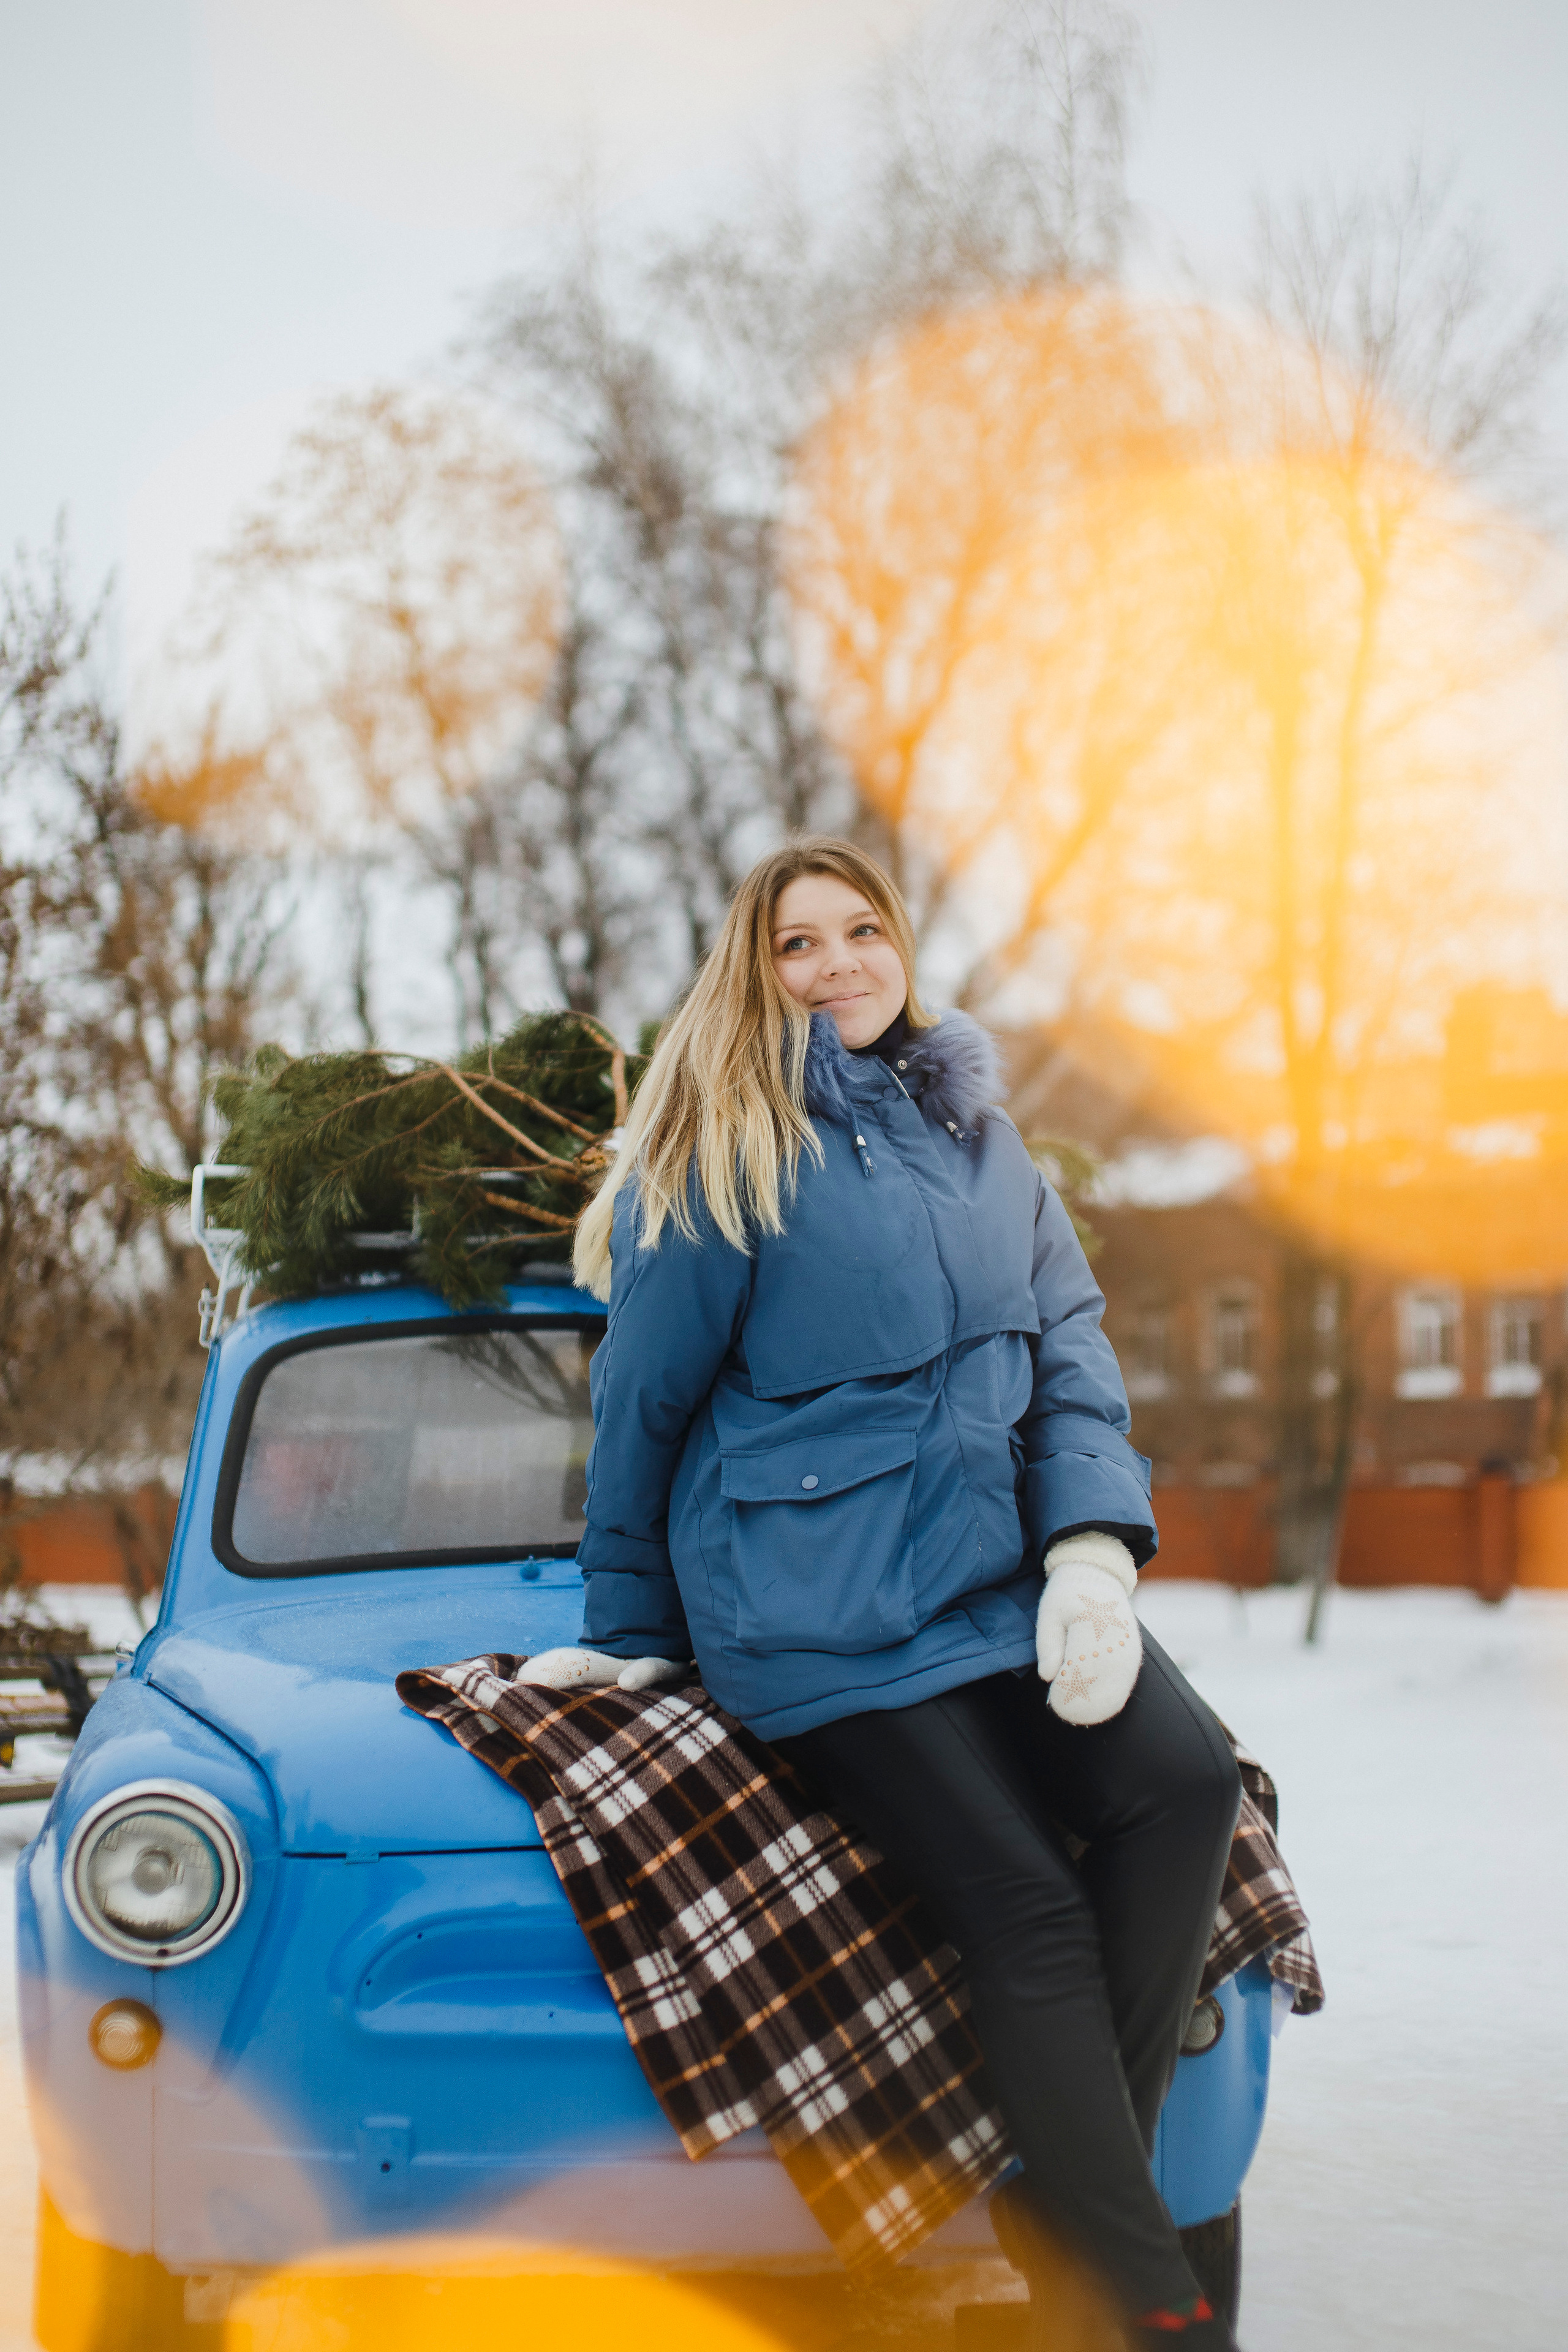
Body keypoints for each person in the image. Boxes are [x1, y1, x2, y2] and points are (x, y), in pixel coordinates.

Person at [521, 838, 1244, 2350]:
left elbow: (1072, 1350)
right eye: (798, 944)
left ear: (901, 946)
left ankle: (1066, 2189)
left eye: (863, 931)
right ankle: (1146, 2291)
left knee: (1183, 1783)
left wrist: (1091, 1553)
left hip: (992, 1588)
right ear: (753, 969)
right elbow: (643, 1410)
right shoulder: (717, 1155)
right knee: (1029, 1905)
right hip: (815, 1612)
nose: (838, 962)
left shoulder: (981, 1140)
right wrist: (632, 1635)